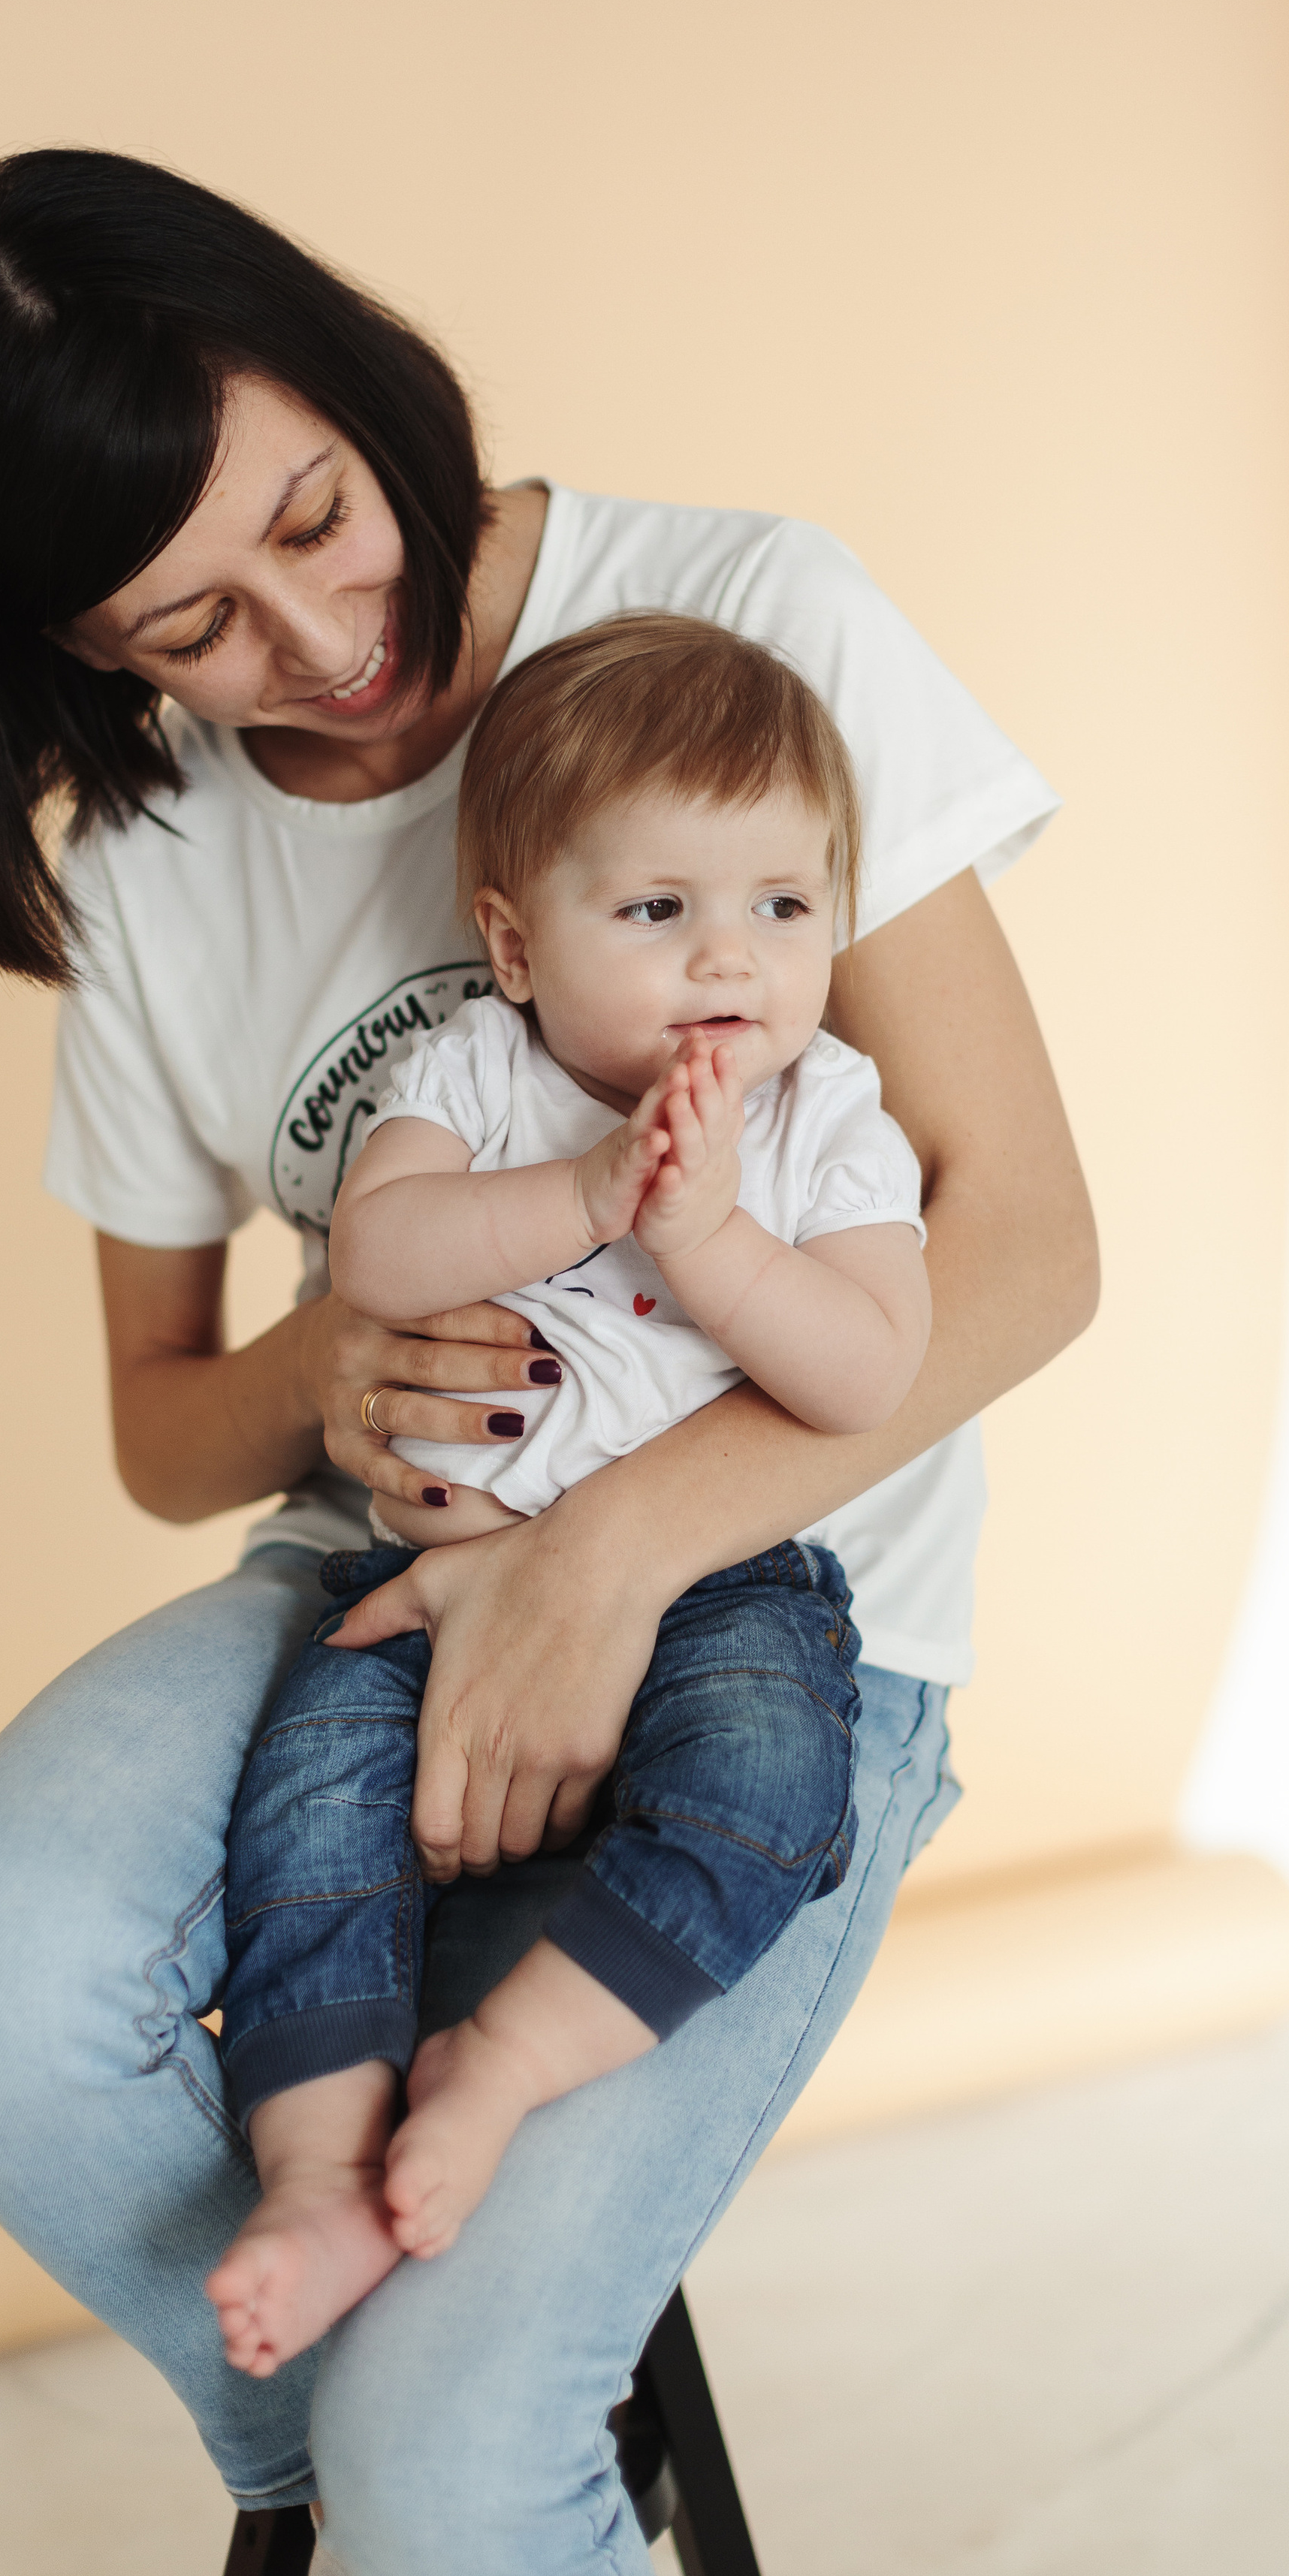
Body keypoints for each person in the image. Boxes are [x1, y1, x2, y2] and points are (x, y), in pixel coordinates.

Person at [0, 147, 1097, 2576]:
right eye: (185, 620)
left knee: (459, 2437)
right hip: (377, 1573)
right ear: (87, 656)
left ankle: (437, 2446)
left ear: (347, 371)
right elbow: (159, 1424)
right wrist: (346, 1353)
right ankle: (388, 2416)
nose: (318, 635)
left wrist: (614, 1556)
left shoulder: (744, 609)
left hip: (785, 1607)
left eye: (314, 511)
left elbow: (1031, 1251)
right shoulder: (153, 873)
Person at [207, 615, 931, 2380]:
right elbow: (375, 1250)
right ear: (516, 946)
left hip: (719, 1589)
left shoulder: (824, 1115)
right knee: (307, 1815)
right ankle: (313, 2176)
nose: (729, 964)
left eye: (781, 906)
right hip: (424, 1585)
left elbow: (864, 1373)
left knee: (767, 1796)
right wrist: (595, 1190)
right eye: (658, 910)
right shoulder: (468, 1070)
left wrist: (710, 1236)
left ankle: (505, 2065)